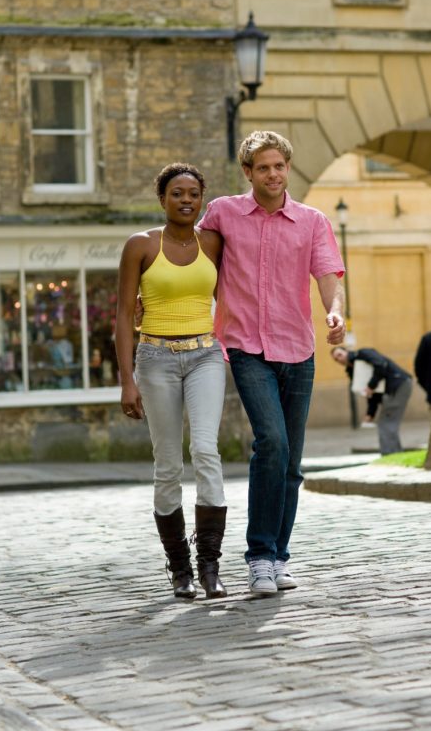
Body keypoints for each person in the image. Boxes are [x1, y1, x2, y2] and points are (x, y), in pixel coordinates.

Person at [199, 130, 345, 597]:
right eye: (263, 167)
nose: (273, 174)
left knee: (292, 463)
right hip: (245, 347)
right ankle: (259, 557)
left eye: (279, 166)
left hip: (298, 350)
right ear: (248, 172)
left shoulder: (312, 221)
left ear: (288, 168)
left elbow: (327, 274)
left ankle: (280, 556)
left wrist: (335, 311)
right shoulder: (223, 213)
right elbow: (195, 262)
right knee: (272, 442)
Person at [115, 163, 228, 601]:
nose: (186, 201)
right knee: (167, 465)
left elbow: (235, 298)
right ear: (161, 199)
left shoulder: (214, 243)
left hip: (205, 355)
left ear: (203, 199)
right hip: (156, 357)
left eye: (194, 194)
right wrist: (128, 380)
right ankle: (180, 569)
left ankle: (210, 567)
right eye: (177, 193)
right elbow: (125, 315)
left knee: (205, 449)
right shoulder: (140, 245)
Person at [330, 345, 413, 455]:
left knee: (387, 422)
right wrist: (370, 414)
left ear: (347, 351)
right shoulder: (352, 371)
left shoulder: (363, 353)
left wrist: (370, 385)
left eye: (340, 355)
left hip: (398, 384)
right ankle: (394, 453)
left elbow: (380, 365)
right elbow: (370, 394)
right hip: (393, 388)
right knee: (387, 422)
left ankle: (390, 453)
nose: (339, 359)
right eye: (336, 359)